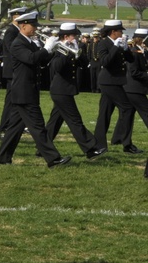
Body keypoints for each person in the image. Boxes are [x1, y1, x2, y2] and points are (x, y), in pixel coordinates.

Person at [0, 12, 71, 168]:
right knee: (38, 126)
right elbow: (31, 59)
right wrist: (46, 48)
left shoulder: (29, 42)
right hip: (24, 91)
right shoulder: (17, 43)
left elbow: (41, 62)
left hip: (27, 90)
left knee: (14, 129)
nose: (36, 29)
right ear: (23, 26)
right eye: (33, 26)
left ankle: (2, 158)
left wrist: (54, 49)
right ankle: (53, 158)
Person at [46, 23, 105, 159]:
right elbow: (57, 68)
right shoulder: (59, 50)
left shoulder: (71, 48)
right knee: (75, 120)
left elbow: (84, 64)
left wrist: (77, 51)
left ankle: (43, 147)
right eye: (74, 36)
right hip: (60, 91)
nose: (77, 38)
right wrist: (65, 51)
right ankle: (90, 148)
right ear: (66, 36)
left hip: (65, 90)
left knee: (55, 122)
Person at [94, 19, 140, 154]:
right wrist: (115, 46)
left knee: (104, 114)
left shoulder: (119, 43)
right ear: (113, 32)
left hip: (116, 82)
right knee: (128, 108)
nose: (121, 33)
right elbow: (105, 62)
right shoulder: (103, 43)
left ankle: (100, 144)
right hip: (108, 82)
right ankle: (125, 142)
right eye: (120, 31)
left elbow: (130, 60)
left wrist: (125, 48)